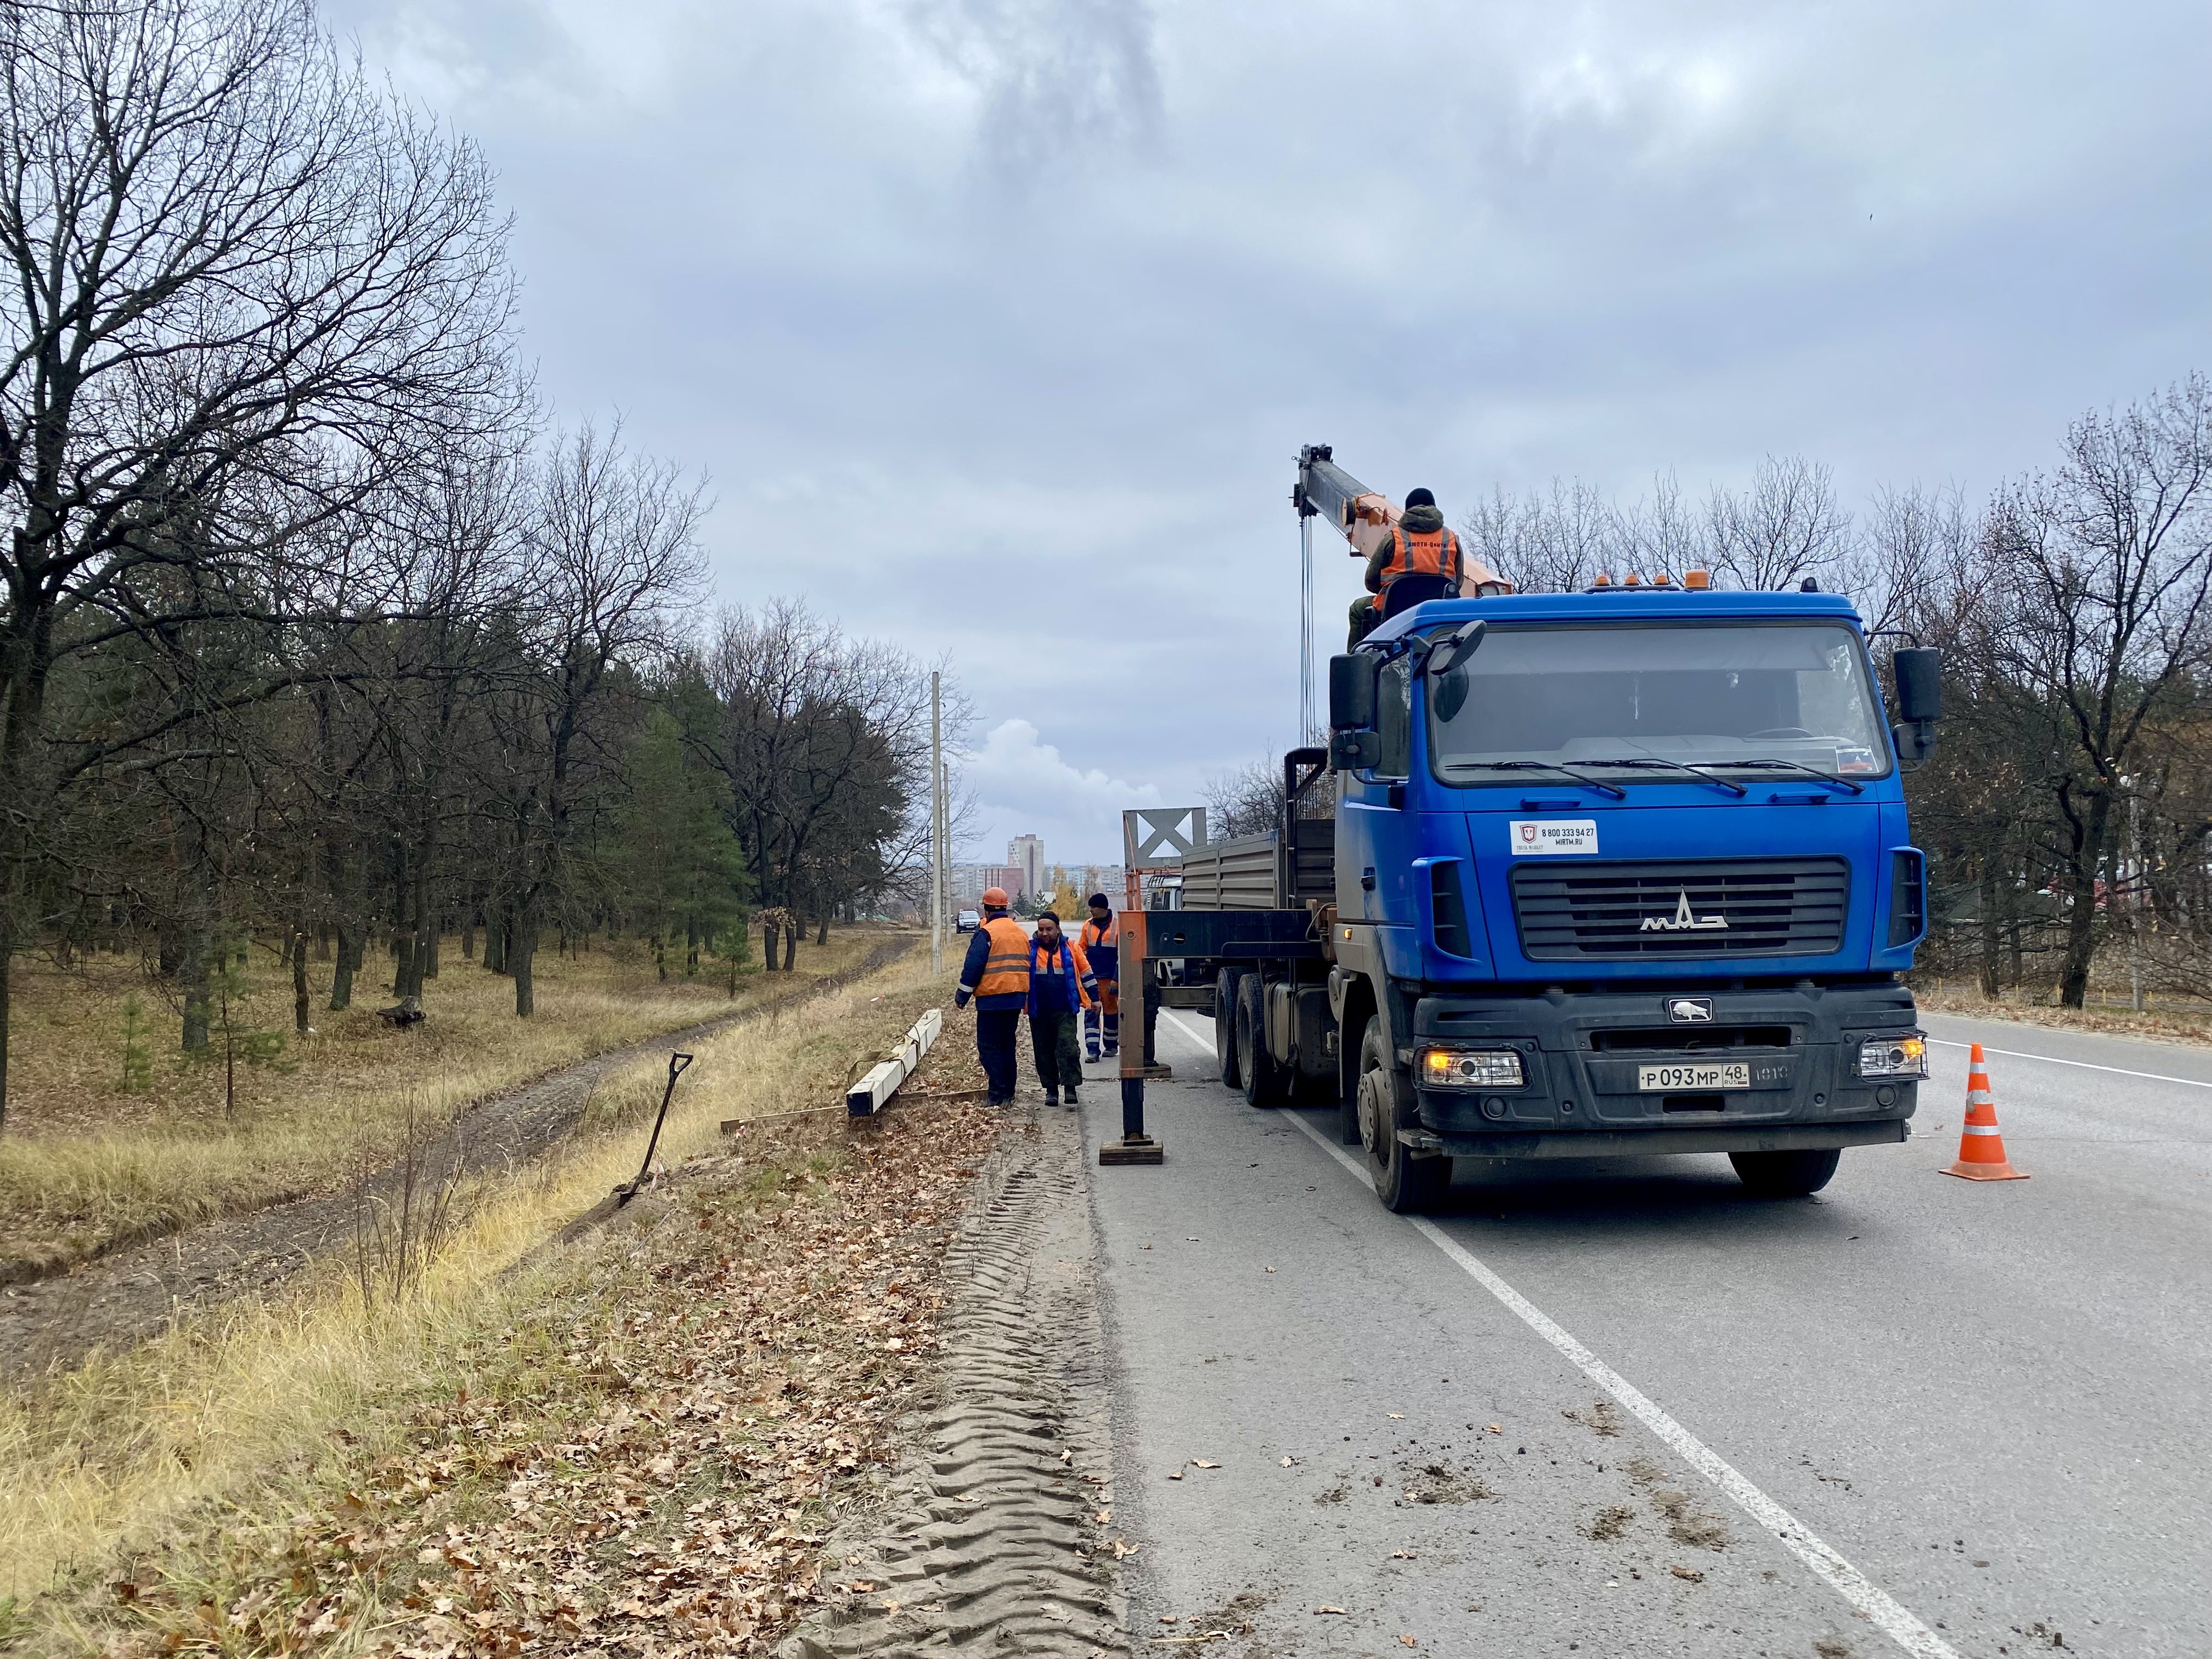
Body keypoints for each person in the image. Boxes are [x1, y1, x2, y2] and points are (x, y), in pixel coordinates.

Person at [1347, 487, 1463, 648]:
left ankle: (1355, 665)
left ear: (1408, 510)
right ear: (1434, 508)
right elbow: (1458, 582)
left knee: (1358, 609)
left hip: (1394, 611)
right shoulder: (1451, 539)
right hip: (1440, 612)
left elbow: (1371, 581)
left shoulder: (1394, 538)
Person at [953, 887, 1030, 1105]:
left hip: (992, 999)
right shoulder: (1019, 932)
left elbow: (973, 966)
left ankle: (997, 1094)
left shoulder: (986, 933)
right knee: (1007, 1044)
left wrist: (962, 996)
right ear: (1005, 907)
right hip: (1016, 997)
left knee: (989, 1048)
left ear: (986, 909)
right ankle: (1009, 1092)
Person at [1026, 911, 1097, 1108]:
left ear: (1058, 929)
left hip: (1065, 1010)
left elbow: (1087, 974)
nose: (1044, 933)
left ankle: (1070, 1088)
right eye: (1041, 929)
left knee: (1068, 1048)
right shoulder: (1029, 950)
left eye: (1049, 929)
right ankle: (1051, 1091)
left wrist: (1095, 999)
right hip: (1039, 1011)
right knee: (1043, 1051)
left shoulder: (1072, 948)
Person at [1079, 893, 1120, 1061]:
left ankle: (1111, 1046)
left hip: (1109, 978)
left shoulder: (1118, 926)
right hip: (1092, 979)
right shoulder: (1088, 926)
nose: (1091, 911)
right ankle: (1093, 1051)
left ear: (1102, 908)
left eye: (1093, 907)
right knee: (1091, 1012)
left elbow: (1122, 956)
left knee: (1111, 1012)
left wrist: (1116, 980)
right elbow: (1081, 951)